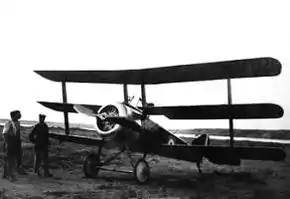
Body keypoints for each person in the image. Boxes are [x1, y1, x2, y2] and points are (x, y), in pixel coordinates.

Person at [2, 110, 22, 181]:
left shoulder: (17, 123)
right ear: (13, 115)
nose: (20, 115)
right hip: (10, 143)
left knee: (13, 159)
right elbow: (4, 133)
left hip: (16, 143)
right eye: (18, 114)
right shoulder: (9, 123)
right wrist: (7, 143)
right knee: (10, 159)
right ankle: (9, 175)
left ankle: (9, 174)